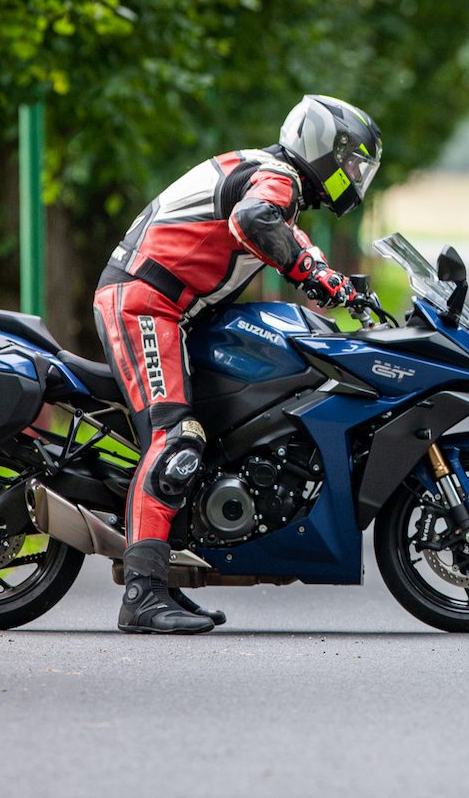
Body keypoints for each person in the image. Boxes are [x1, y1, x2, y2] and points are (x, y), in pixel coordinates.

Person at [94, 95, 382, 634]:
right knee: (176, 438)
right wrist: (314, 276)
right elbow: (254, 221)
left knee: (216, 434)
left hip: (171, 309)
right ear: (324, 148)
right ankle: (142, 593)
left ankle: (169, 577)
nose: (353, 176)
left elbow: (295, 243)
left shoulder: (272, 179)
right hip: (146, 302)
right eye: (350, 163)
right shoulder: (276, 179)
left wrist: (341, 286)